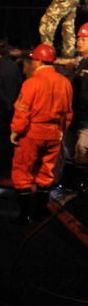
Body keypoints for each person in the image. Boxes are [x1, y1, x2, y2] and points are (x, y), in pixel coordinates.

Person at [10, 44, 73, 224]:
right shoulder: (65, 82)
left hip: (32, 132)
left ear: (38, 60)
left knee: (23, 172)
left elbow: (23, 111)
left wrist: (16, 131)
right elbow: (68, 113)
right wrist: (61, 131)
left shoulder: (32, 82)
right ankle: (40, 213)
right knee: (46, 173)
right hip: (54, 133)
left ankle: (25, 216)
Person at [0, 40, 23, 163]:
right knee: (12, 136)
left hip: (1, 110)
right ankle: (11, 159)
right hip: (13, 107)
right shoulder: (14, 66)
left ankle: (2, 162)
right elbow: (19, 84)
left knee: (0, 136)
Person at [63, 23, 88, 190]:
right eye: (79, 39)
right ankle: (73, 186)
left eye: (84, 39)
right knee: (72, 154)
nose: (79, 42)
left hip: (86, 120)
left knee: (83, 153)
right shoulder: (81, 63)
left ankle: (82, 188)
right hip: (77, 118)